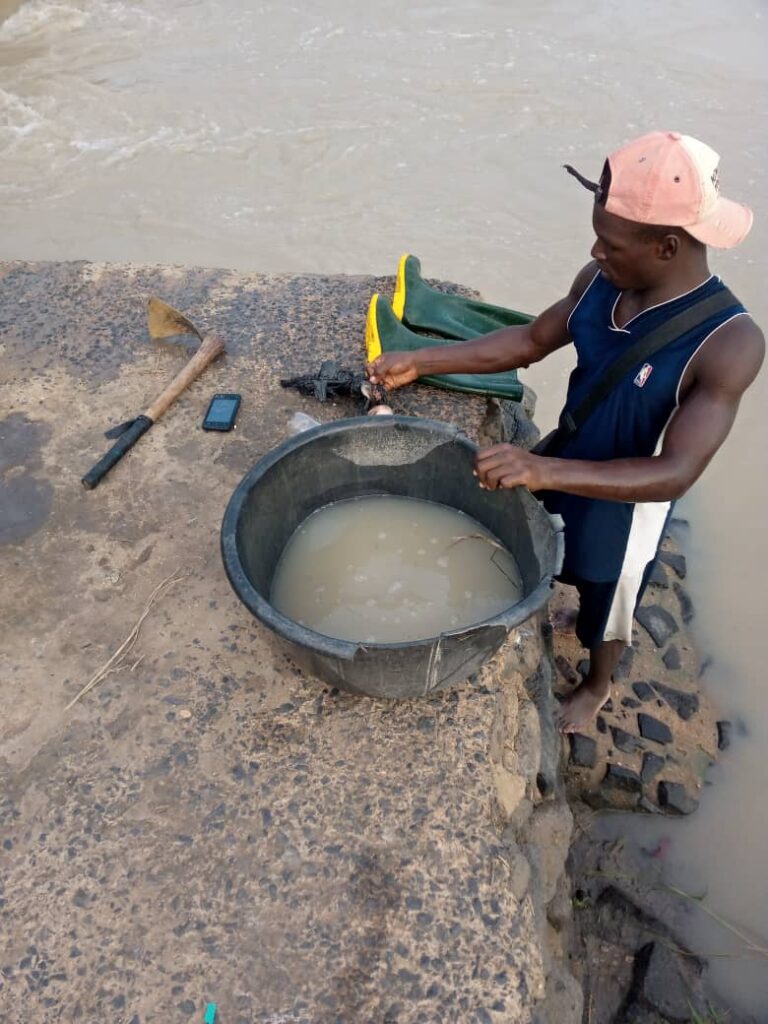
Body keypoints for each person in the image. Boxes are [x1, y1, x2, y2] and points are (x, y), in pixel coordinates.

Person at [366, 131, 765, 733]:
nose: (596, 251)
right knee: (541, 544)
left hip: (631, 502)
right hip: (573, 449)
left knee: (608, 598)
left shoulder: (730, 342)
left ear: (667, 246)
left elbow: (675, 472)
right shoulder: (602, 279)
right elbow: (530, 340)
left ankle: (598, 685)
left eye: (610, 243)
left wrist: (541, 469)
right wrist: (422, 360)